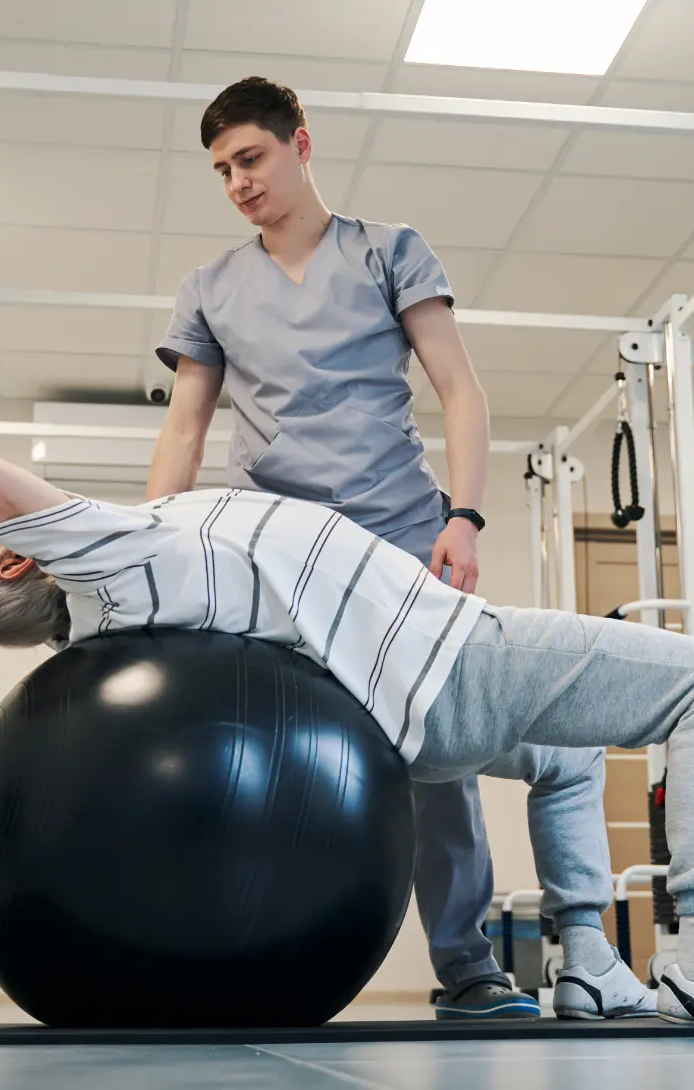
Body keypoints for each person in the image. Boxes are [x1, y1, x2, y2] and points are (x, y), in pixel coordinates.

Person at [0, 436, 694, 1027]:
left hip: (401, 703)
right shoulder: (106, 550)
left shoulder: (98, 603)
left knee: (565, 751)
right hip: (453, 655)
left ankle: (587, 956)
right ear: (23, 556)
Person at [146, 75, 514, 1020]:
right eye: (222, 168)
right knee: (259, 748)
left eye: (252, 157)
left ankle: (467, 964)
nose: (238, 180)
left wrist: (463, 517)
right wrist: (151, 544)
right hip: (278, 547)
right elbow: (185, 428)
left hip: (398, 535)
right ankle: (249, 946)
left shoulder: (388, 252)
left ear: (301, 143)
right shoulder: (211, 290)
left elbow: (459, 390)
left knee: (435, 758)